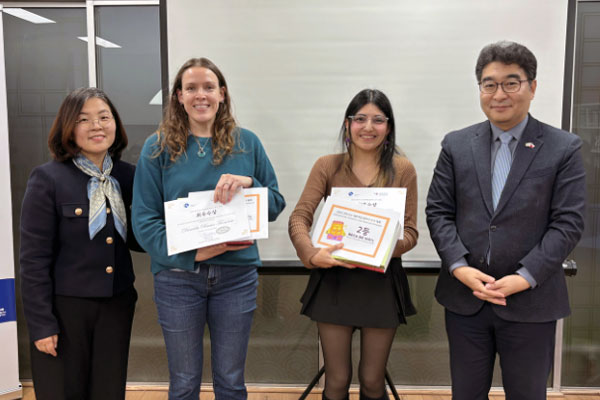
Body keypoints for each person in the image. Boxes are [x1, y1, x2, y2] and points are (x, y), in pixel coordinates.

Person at [426, 41, 586, 400]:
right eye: (489, 84)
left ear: (532, 86)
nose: (499, 94)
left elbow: (568, 223)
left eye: (511, 83)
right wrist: (459, 267)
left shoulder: (563, 147)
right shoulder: (456, 145)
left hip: (532, 301)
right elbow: (438, 211)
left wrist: (524, 277)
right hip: (466, 299)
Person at [132, 57, 285, 400]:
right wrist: (192, 254)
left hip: (236, 278)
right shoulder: (157, 148)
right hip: (177, 279)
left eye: (208, 87)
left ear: (222, 94)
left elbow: (275, 203)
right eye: (191, 88)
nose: (200, 95)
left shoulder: (248, 143)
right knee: (184, 382)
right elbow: (144, 221)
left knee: (231, 381)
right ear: (179, 97)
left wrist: (249, 183)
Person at [289, 89, 418, 400]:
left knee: (372, 381)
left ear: (388, 127)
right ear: (347, 125)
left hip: (381, 284)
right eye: (360, 119)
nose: (368, 127)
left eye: (378, 120)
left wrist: (380, 249)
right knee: (337, 381)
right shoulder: (327, 165)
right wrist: (311, 254)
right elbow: (299, 218)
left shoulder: (403, 169)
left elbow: (411, 233)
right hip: (335, 281)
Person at [19, 87, 139, 400]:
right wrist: (42, 324)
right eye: (84, 119)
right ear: (68, 128)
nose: (97, 126)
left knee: (108, 392)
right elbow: (33, 260)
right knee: (62, 392)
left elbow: (140, 237)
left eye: (104, 117)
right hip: (64, 311)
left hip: (116, 306)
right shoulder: (48, 178)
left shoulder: (129, 177)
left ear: (116, 123)